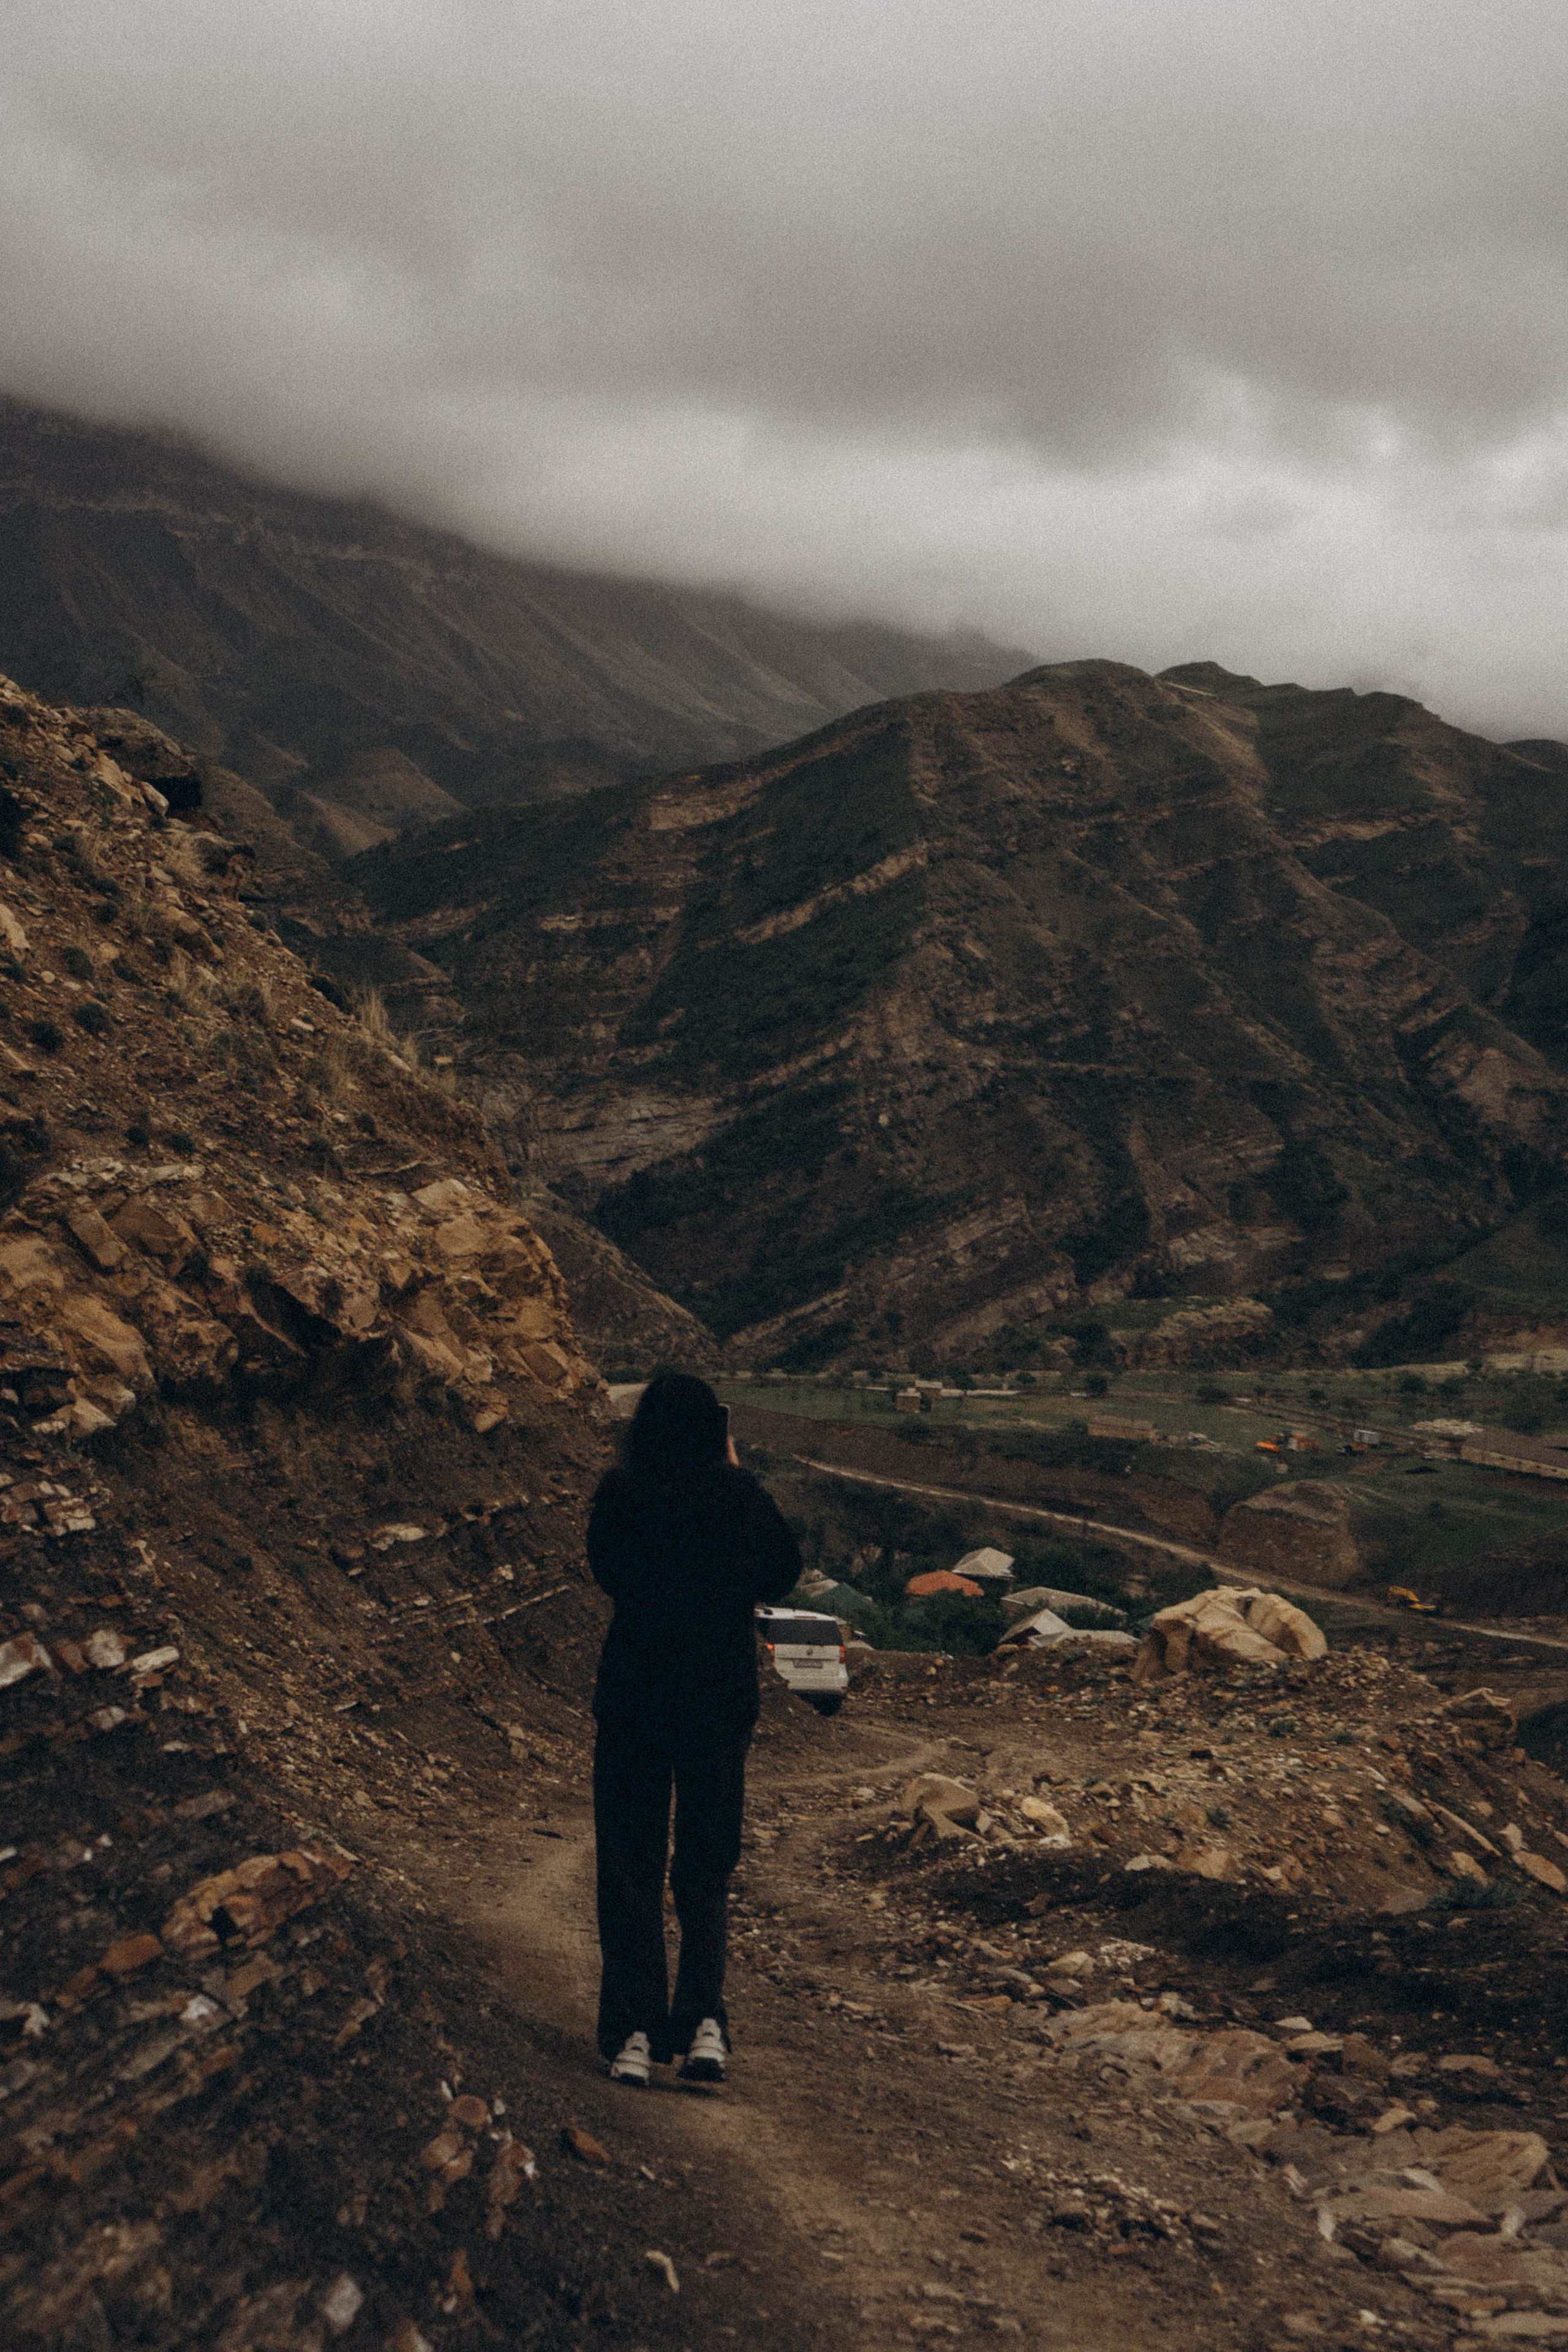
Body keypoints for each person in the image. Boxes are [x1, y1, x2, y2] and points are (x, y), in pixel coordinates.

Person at [586, 1371, 801, 2087]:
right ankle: (704, 2022)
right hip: (716, 1706)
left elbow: (606, 1572)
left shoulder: (621, 1494)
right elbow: (781, 1572)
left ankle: (635, 2035)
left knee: (629, 1866)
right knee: (706, 1867)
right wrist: (734, 1472)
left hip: (634, 1702)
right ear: (715, 1427)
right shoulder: (737, 1497)